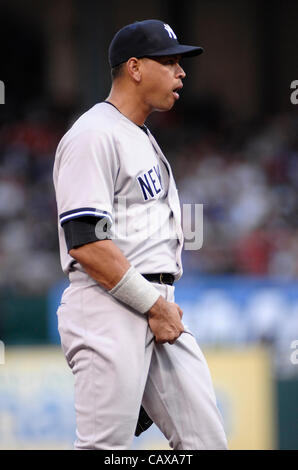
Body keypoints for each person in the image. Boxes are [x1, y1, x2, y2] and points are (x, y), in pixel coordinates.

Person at [53, 19, 227, 450]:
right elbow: (87, 241)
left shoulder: (140, 136)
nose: (181, 73)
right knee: (104, 449)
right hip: (109, 306)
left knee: (206, 443)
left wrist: (158, 309)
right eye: (169, 62)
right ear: (134, 68)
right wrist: (153, 305)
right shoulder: (94, 134)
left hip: (157, 308)